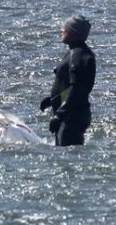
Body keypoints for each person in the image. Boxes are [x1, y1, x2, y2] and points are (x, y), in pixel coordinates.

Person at [39, 15, 96, 147]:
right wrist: (52, 99)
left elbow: (77, 88)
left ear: (74, 33)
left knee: (66, 154)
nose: (61, 30)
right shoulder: (75, 52)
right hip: (69, 115)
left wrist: (60, 115)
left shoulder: (79, 55)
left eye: (65, 28)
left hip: (72, 117)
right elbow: (69, 87)